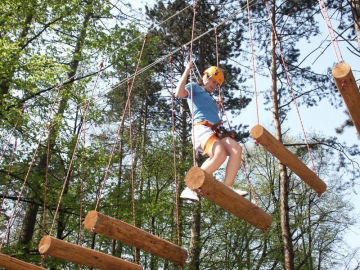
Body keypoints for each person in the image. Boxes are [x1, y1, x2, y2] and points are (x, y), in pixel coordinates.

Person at [176, 62, 248, 201]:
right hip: (202, 128)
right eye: (212, 80)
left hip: (217, 130)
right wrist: (186, 70)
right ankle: (190, 187)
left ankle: (227, 187)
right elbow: (179, 93)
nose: (213, 85)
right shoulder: (194, 87)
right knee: (219, 153)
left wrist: (217, 105)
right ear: (205, 77)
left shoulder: (211, 99)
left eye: (216, 84)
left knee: (236, 149)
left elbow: (209, 111)